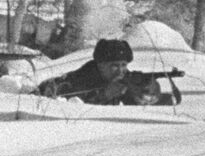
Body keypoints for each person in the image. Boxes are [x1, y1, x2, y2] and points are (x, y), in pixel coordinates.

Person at [36, 38, 176, 106]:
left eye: (124, 65)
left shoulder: (125, 79)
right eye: (114, 66)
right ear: (101, 65)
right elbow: (72, 110)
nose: (121, 71)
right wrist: (104, 95)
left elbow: (167, 102)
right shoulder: (80, 79)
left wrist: (149, 93)